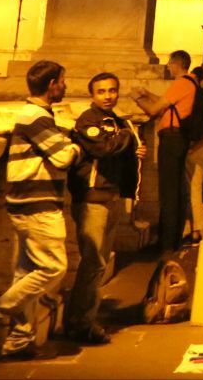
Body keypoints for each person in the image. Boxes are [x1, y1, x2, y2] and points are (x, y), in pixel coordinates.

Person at [0, 61, 81, 360]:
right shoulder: (35, 117)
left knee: (26, 272)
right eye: (62, 81)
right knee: (53, 267)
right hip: (36, 203)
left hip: (29, 201)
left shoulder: (40, 116)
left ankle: (19, 340)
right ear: (51, 85)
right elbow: (63, 157)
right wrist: (74, 146)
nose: (65, 86)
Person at [64, 71, 144, 346]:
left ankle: (84, 318)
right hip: (92, 200)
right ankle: (80, 324)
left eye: (112, 90)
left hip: (110, 197)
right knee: (93, 263)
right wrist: (128, 140)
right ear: (92, 95)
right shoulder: (89, 120)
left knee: (97, 263)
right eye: (101, 91)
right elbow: (104, 149)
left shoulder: (118, 121)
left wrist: (134, 149)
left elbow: (121, 149)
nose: (108, 96)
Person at [133, 49, 198, 257]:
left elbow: (154, 111)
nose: (168, 67)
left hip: (171, 139)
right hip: (181, 139)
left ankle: (166, 244)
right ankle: (174, 239)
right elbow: (167, 101)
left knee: (169, 193)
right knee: (178, 191)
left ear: (175, 64)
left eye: (170, 64)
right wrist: (148, 94)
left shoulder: (181, 83)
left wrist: (136, 99)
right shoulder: (191, 83)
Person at [183, 66, 203, 243]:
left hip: (197, 148)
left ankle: (197, 229)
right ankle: (193, 227)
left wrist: (193, 149)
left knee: (194, 189)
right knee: (190, 189)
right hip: (200, 148)